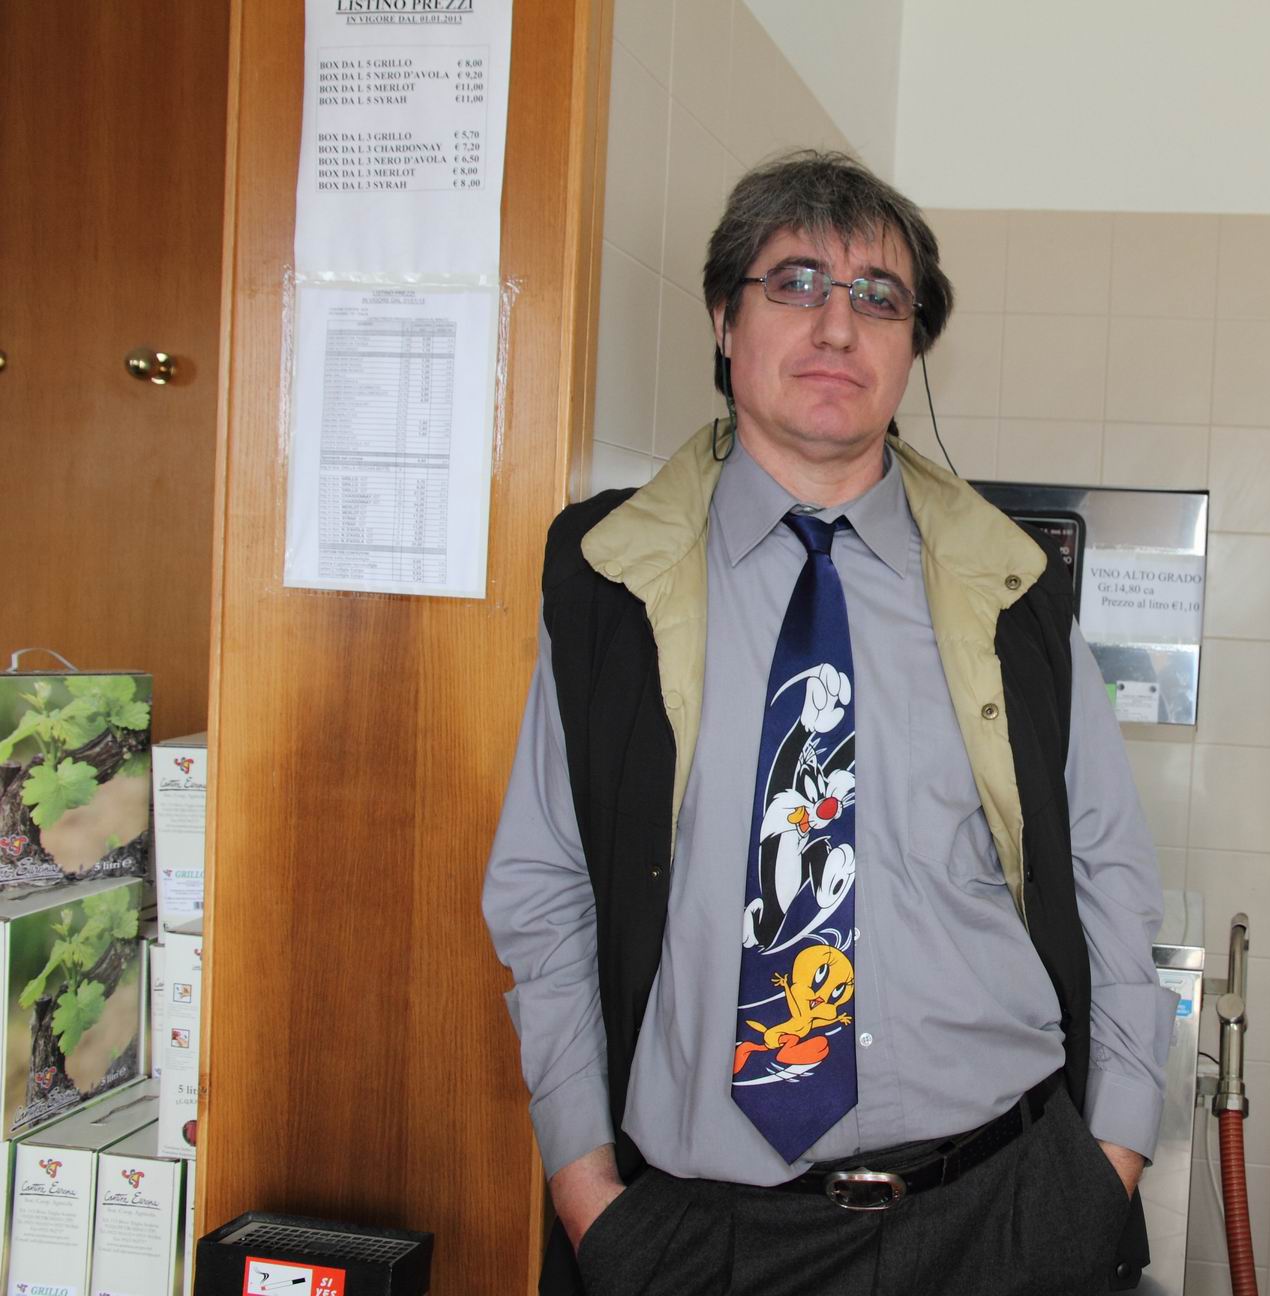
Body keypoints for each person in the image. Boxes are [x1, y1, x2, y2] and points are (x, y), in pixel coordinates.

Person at [482, 150, 1173, 1296]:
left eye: (878, 297)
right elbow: (545, 885)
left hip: (1004, 1213)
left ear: (912, 346)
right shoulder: (609, 587)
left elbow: (1110, 875)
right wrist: (583, 1184)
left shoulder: (1012, 592)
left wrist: (1112, 1160)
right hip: (707, 1239)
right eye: (795, 281)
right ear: (724, 318)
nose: (838, 326)